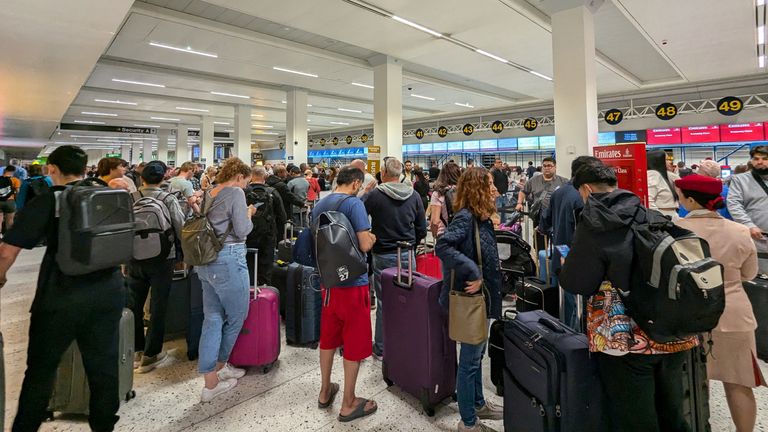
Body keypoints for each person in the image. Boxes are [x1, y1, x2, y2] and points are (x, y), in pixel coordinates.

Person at [560, 161, 698, 432]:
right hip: (671, 330)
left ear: (586, 189)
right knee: (671, 411)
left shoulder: (596, 224)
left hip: (625, 337)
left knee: (632, 415)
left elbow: (577, 282)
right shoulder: (650, 213)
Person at [0, 146, 124, 431]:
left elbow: (7, 251)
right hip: (108, 292)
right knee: (104, 369)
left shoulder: (48, 200)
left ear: (52, 169)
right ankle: (104, 426)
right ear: (85, 169)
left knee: (41, 371)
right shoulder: (105, 194)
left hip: (60, 297)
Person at [674, 174, 765, 432]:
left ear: (690, 199)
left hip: (687, 311)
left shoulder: (676, 230)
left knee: (688, 380)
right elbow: (749, 274)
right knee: (738, 382)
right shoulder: (740, 232)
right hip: (733, 311)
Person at [435, 167, 503, 432]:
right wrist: (472, 270)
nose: (495, 189)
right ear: (478, 189)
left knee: (478, 355)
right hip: (470, 300)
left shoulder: (481, 217)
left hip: (482, 298)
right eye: (490, 184)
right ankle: (468, 421)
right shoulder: (465, 218)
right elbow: (443, 246)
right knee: (471, 360)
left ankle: (477, 403)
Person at [313, 167, 378, 422]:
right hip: (353, 283)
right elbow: (364, 244)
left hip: (328, 283)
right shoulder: (354, 204)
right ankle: (349, 402)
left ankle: (324, 390)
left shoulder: (320, 204)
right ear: (355, 183)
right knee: (354, 339)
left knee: (328, 336)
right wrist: (371, 238)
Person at [196, 157, 256, 402]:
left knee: (211, 318)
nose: (245, 187)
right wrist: (249, 213)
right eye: (246, 182)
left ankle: (211, 381)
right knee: (237, 315)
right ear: (239, 176)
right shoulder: (235, 193)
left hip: (205, 260)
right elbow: (242, 230)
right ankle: (220, 367)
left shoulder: (210, 191)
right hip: (229, 259)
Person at [362, 158, 427, 360]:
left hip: (383, 254)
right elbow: (421, 228)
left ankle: (381, 348)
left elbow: (358, 214)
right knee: (409, 299)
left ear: (383, 173)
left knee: (384, 302)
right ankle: (407, 343)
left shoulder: (374, 195)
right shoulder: (414, 195)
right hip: (407, 253)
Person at [128, 161, 185, 373]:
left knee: (134, 305)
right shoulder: (167, 198)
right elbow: (180, 228)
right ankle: (152, 354)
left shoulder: (130, 198)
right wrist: (184, 255)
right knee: (159, 306)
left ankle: (136, 351)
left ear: (141, 178)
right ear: (163, 179)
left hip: (134, 258)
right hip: (163, 258)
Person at [538, 155, 600, 331]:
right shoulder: (585, 197)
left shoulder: (558, 191)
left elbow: (545, 223)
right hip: (581, 262)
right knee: (580, 315)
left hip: (560, 258)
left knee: (566, 309)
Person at [728, 145, 768, 273]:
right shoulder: (740, 180)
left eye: (765, 158)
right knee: (760, 275)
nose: (759, 162)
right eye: (756, 159)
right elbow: (734, 204)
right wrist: (749, 225)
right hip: (757, 236)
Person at [246, 166, 287, 285]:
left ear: (251, 176)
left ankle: (250, 292)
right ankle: (265, 291)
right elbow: (282, 216)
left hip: (248, 234)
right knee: (267, 265)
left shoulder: (244, 192)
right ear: (265, 177)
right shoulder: (272, 192)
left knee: (248, 264)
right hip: (268, 234)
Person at [516, 157, 567, 248]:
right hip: (539, 217)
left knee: (559, 243)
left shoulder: (563, 181)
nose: (547, 168)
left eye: (549, 166)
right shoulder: (533, 180)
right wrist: (519, 203)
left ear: (555, 167)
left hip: (557, 216)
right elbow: (523, 191)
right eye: (544, 166)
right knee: (540, 243)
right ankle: (540, 260)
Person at [430, 162, 461, 238]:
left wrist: (434, 235)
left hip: (445, 233)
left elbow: (435, 221)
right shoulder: (463, 191)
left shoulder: (438, 193)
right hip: (462, 233)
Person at [646, 149, 679, 219]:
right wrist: (659, 219)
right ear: (658, 161)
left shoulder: (666, 175)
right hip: (664, 217)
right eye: (666, 159)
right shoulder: (653, 174)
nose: (670, 162)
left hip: (670, 216)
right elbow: (649, 200)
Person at [0, 166, 22, 232]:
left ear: (5, 170)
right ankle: (8, 238)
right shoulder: (15, 180)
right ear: (13, 172)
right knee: (10, 220)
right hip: (10, 202)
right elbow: (18, 192)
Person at [491, 159, 509, 223]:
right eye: (498, 162)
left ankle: (504, 224)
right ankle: (498, 224)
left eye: (501, 162)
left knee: (505, 211)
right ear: (495, 164)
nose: (500, 164)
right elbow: (492, 183)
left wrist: (506, 190)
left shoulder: (503, 171)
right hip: (497, 194)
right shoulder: (493, 172)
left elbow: (506, 181)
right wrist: (496, 192)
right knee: (499, 211)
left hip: (504, 193)